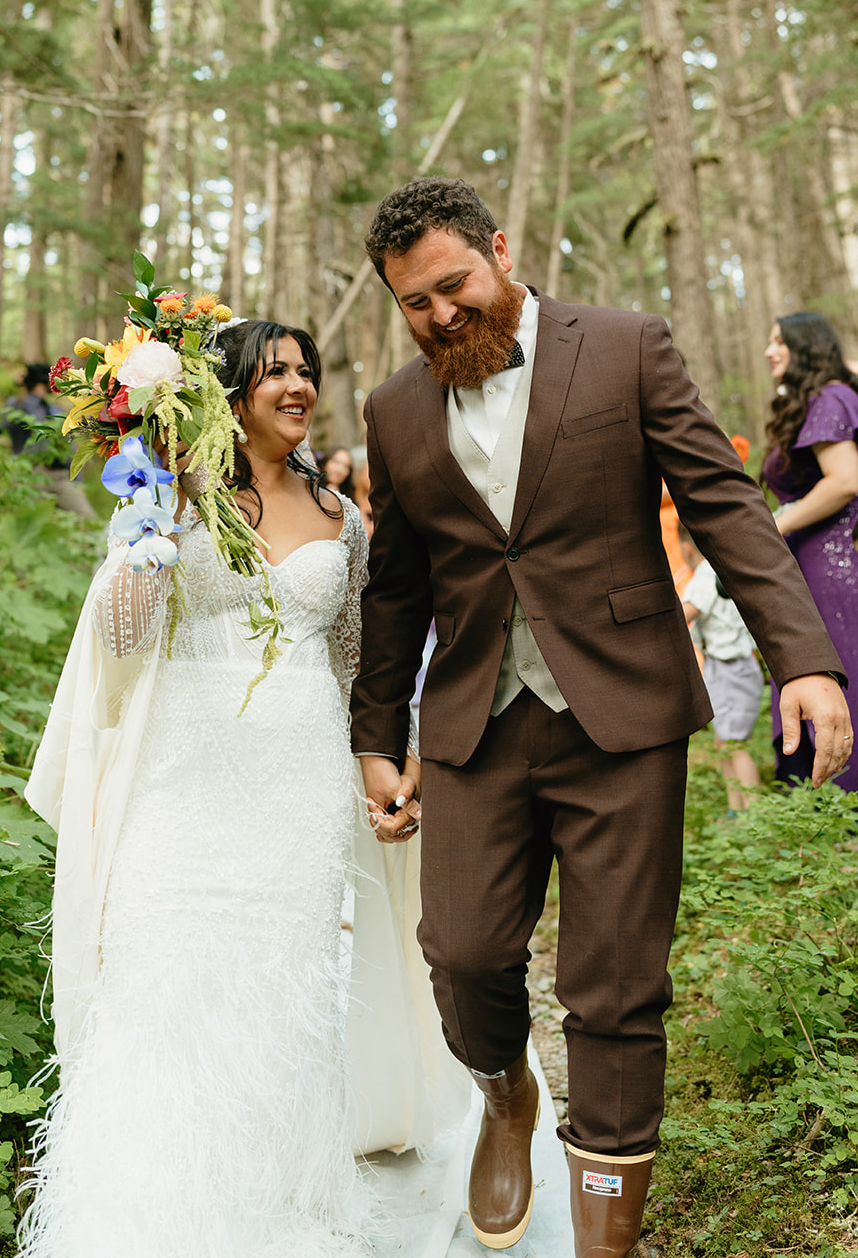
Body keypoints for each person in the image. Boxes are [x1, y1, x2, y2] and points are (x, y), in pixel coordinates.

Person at [350, 177, 852, 1258]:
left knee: (615, 985)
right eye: (414, 303)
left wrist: (802, 660)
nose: (440, 314)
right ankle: (505, 1094)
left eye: (453, 285)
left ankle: (602, 1241)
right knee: (462, 953)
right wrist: (376, 736)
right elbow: (394, 586)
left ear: (499, 250)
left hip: (621, 713)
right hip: (473, 723)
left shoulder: (625, 348)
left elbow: (724, 506)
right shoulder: (393, 410)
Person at [20, 319, 466, 1258]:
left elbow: (356, 661)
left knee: (284, 983)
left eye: (306, 371)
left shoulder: (341, 517)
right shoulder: (170, 496)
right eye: (274, 372)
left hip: (298, 778)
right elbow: (121, 640)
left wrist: (388, 761)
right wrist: (156, 512)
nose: (298, 386)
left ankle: (276, 1205)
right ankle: (142, 1214)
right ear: (226, 396)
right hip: (179, 773)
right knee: (162, 973)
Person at [762, 312, 858, 793]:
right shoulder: (829, 396)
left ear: (806, 346)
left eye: (779, 341)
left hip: (833, 567)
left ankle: (842, 804)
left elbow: (845, 480)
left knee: (837, 679)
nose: (769, 351)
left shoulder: (828, 396)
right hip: (814, 565)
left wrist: (774, 526)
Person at [677, 524, 763, 813]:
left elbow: (683, 615)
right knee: (723, 742)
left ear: (686, 548)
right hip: (725, 668)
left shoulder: (705, 576)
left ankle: (753, 815)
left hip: (733, 670)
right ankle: (735, 809)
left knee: (734, 745)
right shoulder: (722, 569)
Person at [5, 364, 96, 519]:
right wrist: (22, 386)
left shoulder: (55, 410)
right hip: (33, 475)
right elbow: (8, 423)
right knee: (33, 523)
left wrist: (77, 482)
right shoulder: (18, 405)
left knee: (87, 518)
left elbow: (70, 446)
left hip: (60, 475)